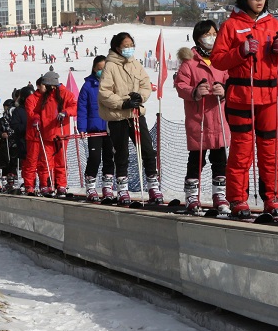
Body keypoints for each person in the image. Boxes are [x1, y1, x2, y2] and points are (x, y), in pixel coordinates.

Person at [211, 0, 278, 218]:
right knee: (242, 150)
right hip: (242, 97)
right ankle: (238, 199)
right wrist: (240, 51)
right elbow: (218, 60)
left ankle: (274, 198)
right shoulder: (231, 26)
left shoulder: (274, 24)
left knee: (271, 150)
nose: (260, 0)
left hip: (270, 98)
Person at [98, 32, 163, 205]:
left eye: (131, 45)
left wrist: (139, 96)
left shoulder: (135, 63)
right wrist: (122, 103)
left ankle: (153, 186)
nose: (129, 48)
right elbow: (104, 92)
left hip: (135, 114)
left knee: (147, 150)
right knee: (122, 153)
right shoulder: (110, 66)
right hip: (118, 116)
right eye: (125, 46)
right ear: (117, 47)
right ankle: (122, 188)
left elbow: (145, 84)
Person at [174, 20, 230, 214]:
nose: (211, 38)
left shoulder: (221, 59)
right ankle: (192, 195)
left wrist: (224, 89)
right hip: (199, 120)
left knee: (220, 160)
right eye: (207, 34)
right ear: (198, 38)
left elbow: (230, 80)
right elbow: (180, 85)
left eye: (214, 34)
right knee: (196, 160)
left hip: (219, 118)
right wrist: (195, 92)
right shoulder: (189, 62)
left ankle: (219, 195)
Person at [27, 71, 77, 197]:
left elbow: (75, 106)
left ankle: (61, 185)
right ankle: (46, 185)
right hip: (47, 133)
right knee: (45, 161)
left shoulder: (65, 94)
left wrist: (66, 112)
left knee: (61, 161)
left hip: (61, 133)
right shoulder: (45, 96)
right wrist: (37, 119)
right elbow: (36, 111)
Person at [77, 55, 115, 203]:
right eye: (99, 69)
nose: (102, 71)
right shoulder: (88, 86)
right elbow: (82, 108)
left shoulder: (113, 83)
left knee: (109, 157)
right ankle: (90, 186)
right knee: (94, 157)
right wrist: (82, 127)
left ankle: (107, 186)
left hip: (110, 127)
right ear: (94, 69)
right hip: (95, 128)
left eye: (104, 68)